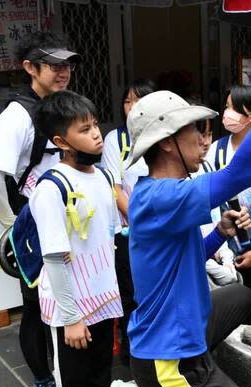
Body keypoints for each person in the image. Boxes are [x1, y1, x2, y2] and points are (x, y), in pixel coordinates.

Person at [108, 32, 251, 387]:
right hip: (166, 360)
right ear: (167, 142)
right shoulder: (160, 195)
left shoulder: (160, 192)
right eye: (196, 130)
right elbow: (239, 174)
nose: (204, 138)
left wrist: (219, 233)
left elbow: (182, 259)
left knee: (242, 297)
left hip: (179, 327)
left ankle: (198, 372)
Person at [0, 32, 81, 387]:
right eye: (53, 65)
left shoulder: (58, 107)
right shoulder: (18, 115)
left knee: (61, 296)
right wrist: (13, 226)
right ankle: (43, 381)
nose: (63, 71)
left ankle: (64, 368)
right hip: (32, 223)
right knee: (36, 306)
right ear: (29, 68)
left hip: (62, 217)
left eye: (66, 64)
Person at [30, 90, 122, 387]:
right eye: (84, 130)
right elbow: (55, 259)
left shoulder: (104, 177)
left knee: (100, 384)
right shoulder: (52, 187)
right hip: (72, 312)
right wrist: (71, 318)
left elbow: (109, 239)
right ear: (61, 142)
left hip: (103, 303)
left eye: (95, 125)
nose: (97, 134)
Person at [204, 84, 251, 324]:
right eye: (227, 107)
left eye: (233, 109)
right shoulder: (215, 150)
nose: (227, 114)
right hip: (221, 247)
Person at [101, 78, 157, 361]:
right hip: (129, 231)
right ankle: (132, 347)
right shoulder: (115, 139)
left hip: (158, 231)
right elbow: (115, 187)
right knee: (129, 290)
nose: (132, 106)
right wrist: (139, 221)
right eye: (127, 101)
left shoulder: (163, 136)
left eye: (139, 100)